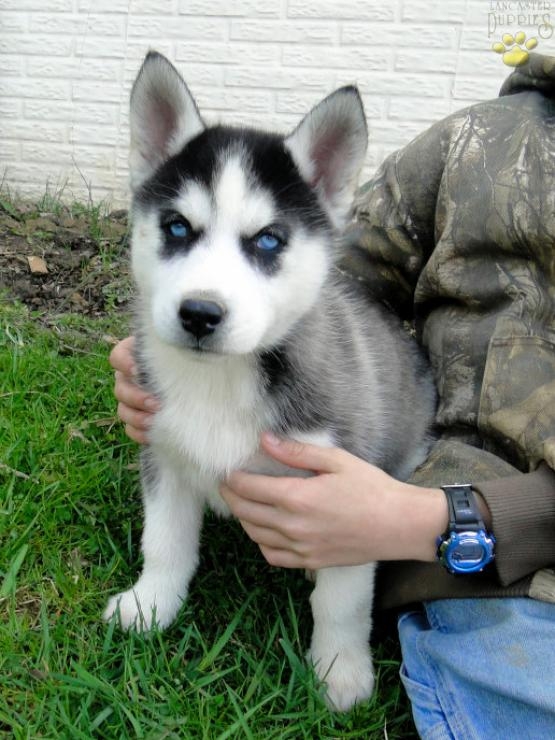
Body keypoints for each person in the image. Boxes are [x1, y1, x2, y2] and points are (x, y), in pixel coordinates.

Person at [110, 54, 555, 738]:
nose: (206, 289)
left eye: (262, 243)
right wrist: (159, 577)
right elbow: (352, 260)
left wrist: (345, 623)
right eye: (178, 229)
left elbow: (351, 486)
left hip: (447, 486)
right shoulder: (489, 138)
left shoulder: (320, 396)